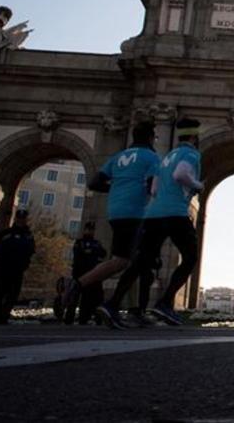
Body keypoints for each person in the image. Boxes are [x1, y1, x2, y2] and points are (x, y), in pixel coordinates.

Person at [100, 117, 205, 327]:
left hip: (153, 214)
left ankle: (111, 304)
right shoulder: (190, 153)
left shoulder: (167, 156)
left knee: (141, 262)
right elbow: (181, 174)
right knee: (191, 257)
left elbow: (154, 189)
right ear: (194, 137)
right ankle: (165, 303)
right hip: (175, 213)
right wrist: (198, 186)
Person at [74, 122, 161, 327]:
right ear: (150, 138)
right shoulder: (151, 157)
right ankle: (86, 290)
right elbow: (151, 187)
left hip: (115, 213)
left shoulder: (118, 157)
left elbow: (94, 183)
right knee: (127, 261)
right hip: (136, 213)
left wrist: (116, 188)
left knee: (131, 260)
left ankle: (129, 309)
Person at [0, 209, 35, 325]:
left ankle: (3, 317)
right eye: (19, 218)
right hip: (3, 268)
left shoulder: (28, 236)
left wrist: (25, 263)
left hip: (18, 269)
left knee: (12, 294)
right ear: (16, 219)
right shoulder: (5, 233)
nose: (21, 221)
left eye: (23, 219)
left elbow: (31, 251)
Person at [65, 222, 107, 325]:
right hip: (79, 273)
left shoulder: (96, 243)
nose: (90, 231)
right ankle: (69, 319)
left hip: (92, 274)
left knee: (88, 298)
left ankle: (84, 318)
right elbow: (79, 256)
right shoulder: (80, 243)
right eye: (88, 229)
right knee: (74, 297)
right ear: (84, 230)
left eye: (91, 230)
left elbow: (103, 253)